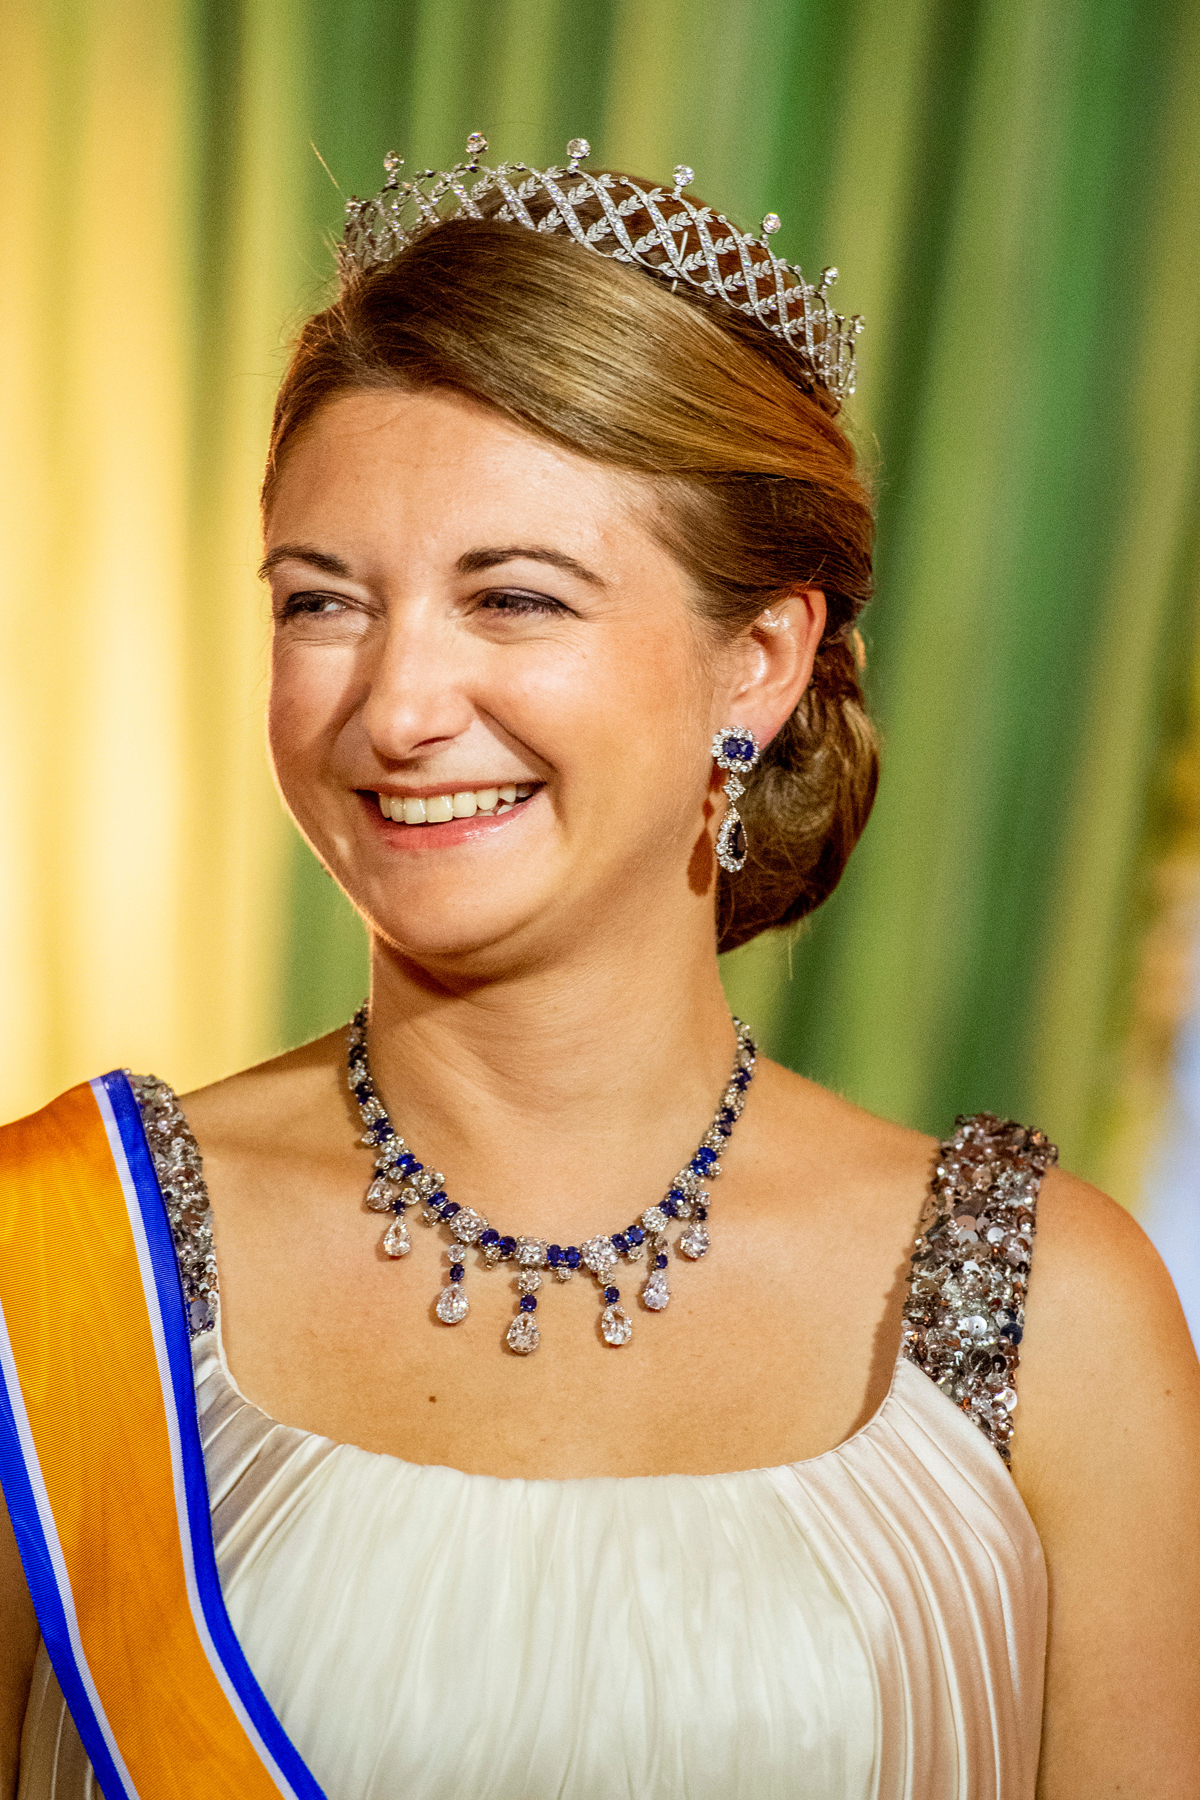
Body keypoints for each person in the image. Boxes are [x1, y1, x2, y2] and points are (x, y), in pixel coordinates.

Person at [2, 140, 1198, 1800]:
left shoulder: (1060, 1318)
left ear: (759, 663)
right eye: (322, 603)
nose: (399, 706)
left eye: (513, 597)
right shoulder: (50, 1267)